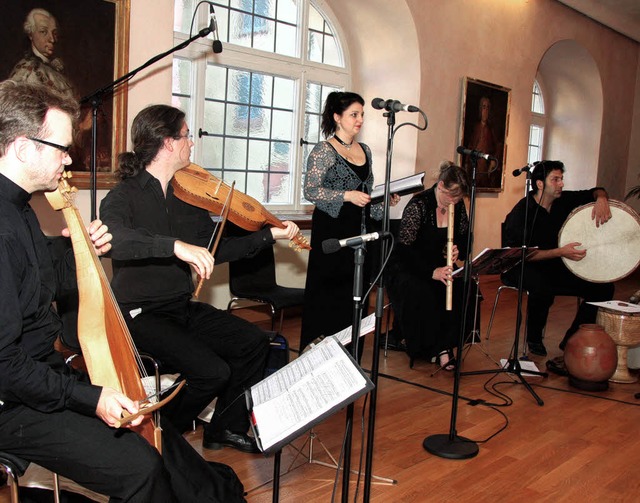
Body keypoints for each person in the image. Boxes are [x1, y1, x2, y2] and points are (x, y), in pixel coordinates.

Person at [0, 80, 245, 502]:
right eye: (60, 147)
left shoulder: (19, 209)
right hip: (14, 401)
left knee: (149, 431)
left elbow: (38, 290)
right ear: (23, 147)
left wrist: (76, 250)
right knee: (140, 467)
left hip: (40, 377)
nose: (69, 157)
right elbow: (5, 364)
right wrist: (87, 396)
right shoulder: (4, 225)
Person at [99, 104, 300, 454]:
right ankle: (159, 438)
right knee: (212, 372)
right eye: (187, 135)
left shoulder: (185, 198)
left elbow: (214, 249)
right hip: (139, 314)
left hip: (181, 307)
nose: (191, 143)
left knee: (253, 342)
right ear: (167, 142)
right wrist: (174, 246)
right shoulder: (122, 197)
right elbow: (117, 241)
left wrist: (270, 236)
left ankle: (224, 428)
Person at [300, 91, 399, 351]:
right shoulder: (324, 150)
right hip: (332, 236)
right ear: (337, 117)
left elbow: (367, 194)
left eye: (362, 114)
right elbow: (311, 190)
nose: (360, 119)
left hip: (360, 237)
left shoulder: (364, 149)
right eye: (354, 114)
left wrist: (383, 200)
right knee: (328, 298)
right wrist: (347, 196)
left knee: (354, 298)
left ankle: (348, 359)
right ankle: (319, 358)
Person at [502, 160, 615, 358]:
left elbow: (596, 190)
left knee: (603, 287)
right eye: (555, 180)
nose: (561, 184)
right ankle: (534, 338)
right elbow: (521, 253)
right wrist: (560, 252)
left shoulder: (562, 201)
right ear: (539, 184)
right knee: (541, 286)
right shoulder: (522, 212)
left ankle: (572, 339)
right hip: (523, 265)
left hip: (555, 262)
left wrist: (602, 199)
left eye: (561, 179)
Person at [385, 161, 472, 370]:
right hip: (409, 267)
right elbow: (404, 251)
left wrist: (458, 249)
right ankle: (433, 347)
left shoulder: (457, 206)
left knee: (465, 287)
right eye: (451, 196)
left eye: (458, 198)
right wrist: (431, 272)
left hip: (439, 265)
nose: (454, 202)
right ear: (440, 185)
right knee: (424, 291)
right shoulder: (419, 206)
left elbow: (466, 238)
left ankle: (448, 342)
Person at [9, 8, 73, 97]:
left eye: (54, 33)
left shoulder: (56, 66)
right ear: (31, 34)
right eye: (43, 32)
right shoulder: (27, 72)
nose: (52, 39)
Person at [463, 96, 500, 188]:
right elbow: (470, 145)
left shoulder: (491, 129)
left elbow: (498, 145)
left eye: (488, 108)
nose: (485, 111)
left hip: (485, 165)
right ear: (480, 109)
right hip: (475, 163)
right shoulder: (475, 127)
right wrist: (467, 163)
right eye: (484, 107)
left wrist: (493, 161)